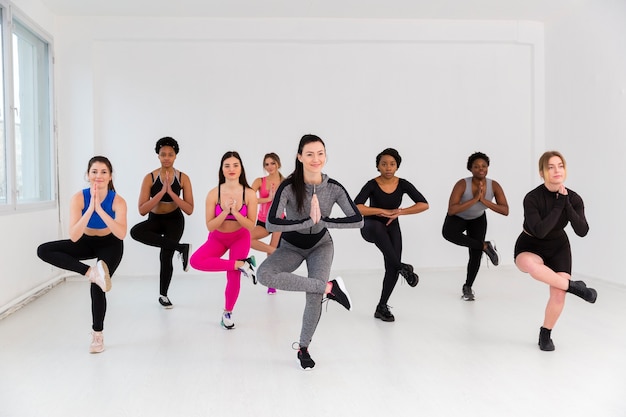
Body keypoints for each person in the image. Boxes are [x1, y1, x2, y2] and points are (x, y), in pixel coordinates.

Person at [257, 134, 363, 370]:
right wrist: (305, 222)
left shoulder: (333, 187)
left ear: (325, 155)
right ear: (299, 157)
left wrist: (323, 220)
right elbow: (272, 223)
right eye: (310, 154)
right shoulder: (288, 186)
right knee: (264, 275)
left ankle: (303, 348)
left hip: (321, 246)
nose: (316, 159)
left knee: (313, 296)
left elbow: (358, 220)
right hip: (291, 246)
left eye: (320, 153)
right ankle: (329, 287)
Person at [37, 156, 127, 353]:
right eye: (94, 172)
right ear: (87, 175)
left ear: (110, 176)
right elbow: (74, 236)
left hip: (110, 245)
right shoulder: (79, 198)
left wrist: (100, 210)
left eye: (104, 172)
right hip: (85, 242)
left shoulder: (117, 201)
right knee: (44, 250)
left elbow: (121, 233)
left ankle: (98, 335)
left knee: (98, 287)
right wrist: (90, 209)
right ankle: (90, 272)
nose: (98, 176)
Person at [514, 151, 597, 351]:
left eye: (560, 165)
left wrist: (566, 203)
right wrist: (559, 203)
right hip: (530, 244)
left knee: (559, 293)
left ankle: (545, 333)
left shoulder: (574, 198)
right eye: (550, 167)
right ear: (542, 172)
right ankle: (575, 287)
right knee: (531, 266)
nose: (556, 170)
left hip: (559, 246)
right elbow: (540, 231)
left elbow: (582, 231)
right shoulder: (532, 198)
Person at [354, 148, 429, 322]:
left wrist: (399, 212)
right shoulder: (371, 184)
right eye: (384, 164)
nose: (388, 167)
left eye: (392, 164)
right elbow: (356, 207)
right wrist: (381, 211)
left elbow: (424, 204)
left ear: (397, 166)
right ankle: (403, 267)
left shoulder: (403, 184)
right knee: (381, 234)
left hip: (392, 226)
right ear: (378, 166)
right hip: (371, 226)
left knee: (391, 267)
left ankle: (382, 306)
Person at [189, 151, 257, 330]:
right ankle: (242, 264)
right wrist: (225, 211)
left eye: (235, 165)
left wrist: (235, 212)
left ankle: (227, 313)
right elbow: (210, 226)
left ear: (241, 168)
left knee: (232, 276)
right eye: (227, 166)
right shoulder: (214, 194)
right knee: (195, 261)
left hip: (240, 237)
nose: (231, 169)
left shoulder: (249, 194)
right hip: (217, 237)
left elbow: (250, 226)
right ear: (222, 169)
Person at [130, 137, 194, 309]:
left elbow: (189, 209)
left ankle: (163, 295)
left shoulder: (183, 178)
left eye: (170, 155)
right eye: (163, 154)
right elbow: (142, 210)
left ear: (175, 156)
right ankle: (181, 248)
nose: (166, 157)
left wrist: (172, 193)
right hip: (155, 219)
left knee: (166, 255)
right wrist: (161, 193)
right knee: (135, 232)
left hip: (175, 220)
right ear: (158, 156)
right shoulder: (150, 178)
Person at [442, 152, 509, 301]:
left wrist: (485, 202)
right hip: (458, 217)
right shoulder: (462, 184)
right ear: (470, 169)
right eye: (476, 166)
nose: (481, 169)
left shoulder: (494, 185)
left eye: (484, 166)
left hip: (478, 219)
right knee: (447, 233)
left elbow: (505, 210)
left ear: (488, 168)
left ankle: (468, 287)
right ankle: (485, 245)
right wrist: (474, 200)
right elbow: (452, 210)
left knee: (475, 254)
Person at [250, 152, 285, 294]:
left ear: (278, 163)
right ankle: (276, 252)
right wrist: (267, 198)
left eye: (272, 163)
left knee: (270, 249)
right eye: (267, 164)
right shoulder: (259, 181)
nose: (270, 166)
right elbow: (249, 199)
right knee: (247, 238)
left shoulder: (285, 182)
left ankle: (271, 283)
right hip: (263, 221)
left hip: (279, 221)